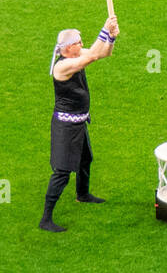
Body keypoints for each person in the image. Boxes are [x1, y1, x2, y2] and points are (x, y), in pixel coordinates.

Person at [40, 15, 119, 231]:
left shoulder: (76, 55)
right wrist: (105, 28)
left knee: (86, 159)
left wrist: (111, 38)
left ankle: (82, 194)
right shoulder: (62, 67)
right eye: (78, 42)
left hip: (79, 123)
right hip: (66, 128)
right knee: (62, 172)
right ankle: (46, 218)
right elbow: (91, 56)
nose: (82, 45)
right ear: (67, 48)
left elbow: (102, 54)